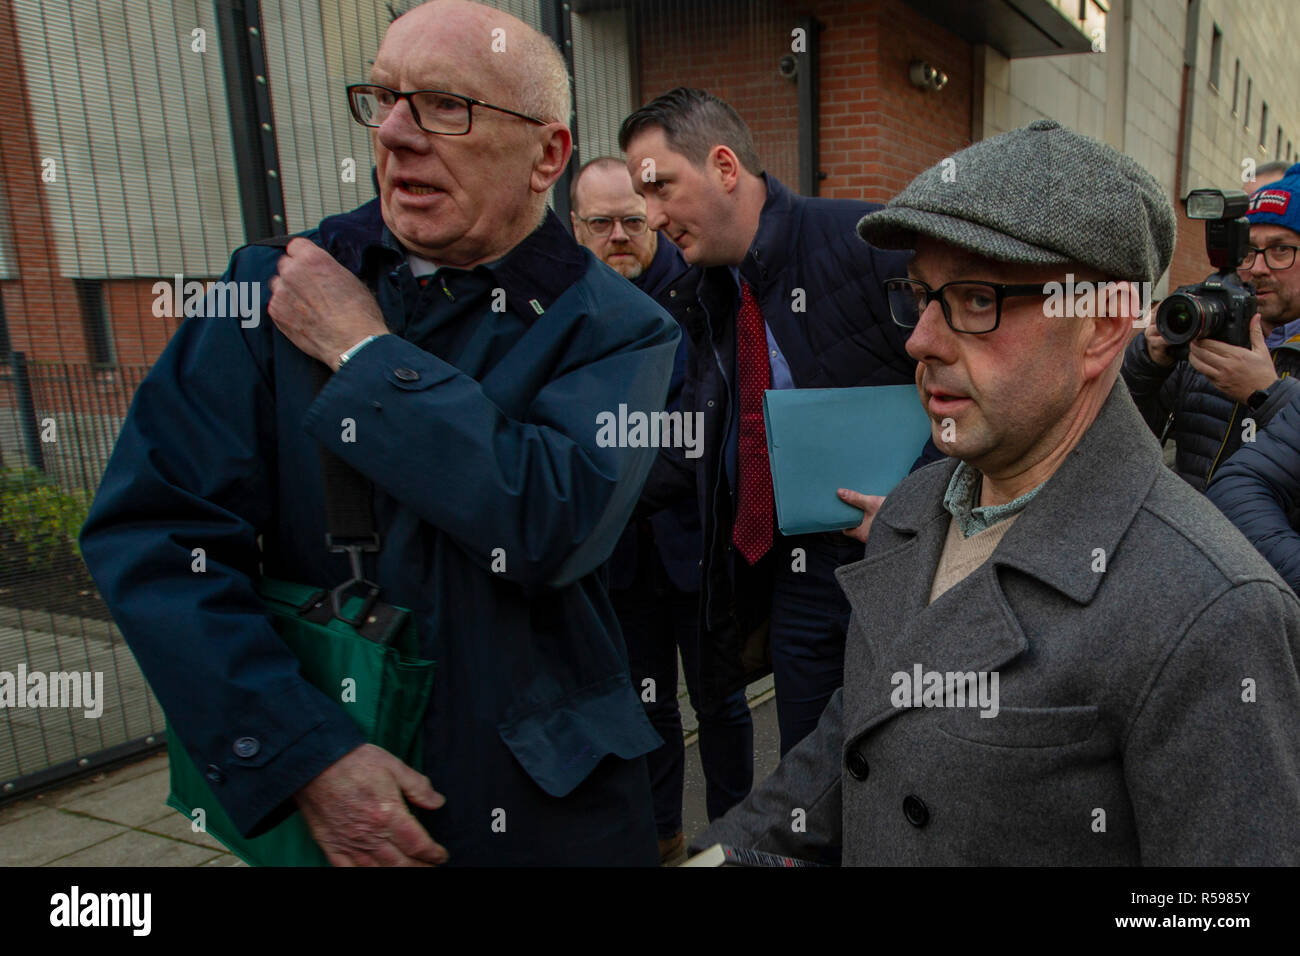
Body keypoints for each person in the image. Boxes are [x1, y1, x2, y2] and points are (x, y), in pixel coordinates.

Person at [78, 0, 680, 867]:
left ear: (548, 154)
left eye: (446, 106)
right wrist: (300, 752)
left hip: (551, 803)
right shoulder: (273, 287)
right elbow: (156, 537)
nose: (396, 133)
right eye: (384, 97)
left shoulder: (618, 325)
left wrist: (363, 353)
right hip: (340, 792)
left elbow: (552, 523)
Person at [694, 119, 1300, 865]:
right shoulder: (913, 510)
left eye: (975, 300)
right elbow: (847, 760)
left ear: (1103, 326)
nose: (921, 339)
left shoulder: (1212, 608)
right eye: (919, 295)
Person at [620, 87, 939, 758]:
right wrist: (591, 491)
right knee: (809, 767)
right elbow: (700, 438)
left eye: (660, 188)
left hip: (907, 564)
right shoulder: (710, 292)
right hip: (794, 577)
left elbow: (973, 385)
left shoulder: (870, 243)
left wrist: (924, 505)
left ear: (726, 168)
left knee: (903, 763)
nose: (650, 217)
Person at [570, 156, 754, 863]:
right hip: (618, 561)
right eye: (601, 222)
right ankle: (663, 840)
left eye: (632, 220)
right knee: (647, 706)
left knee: (722, 702)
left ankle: (737, 839)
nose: (619, 234)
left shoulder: (698, 299)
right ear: (577, 227)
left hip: (693, 546)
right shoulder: (568, 310)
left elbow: (695, 432)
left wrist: (600, 472)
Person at [1122, 162, 1300, 491]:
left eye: (1280, 249)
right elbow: (1125, 440)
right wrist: (1148, 362)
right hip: (1191, 536)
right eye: (1249, 251)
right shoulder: (1209, 325)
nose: (1258, 267)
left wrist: (1267, 395)